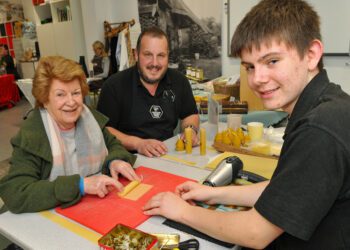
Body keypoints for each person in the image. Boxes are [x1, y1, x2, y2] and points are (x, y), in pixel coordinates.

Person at [142, 0, 350, 249]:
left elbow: (255, 233)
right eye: (250, 67)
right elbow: (282, 190)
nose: (257, 79)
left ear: (312, 54)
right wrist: (213, 192)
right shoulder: (327, 103)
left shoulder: (319, 129)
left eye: (272, 61)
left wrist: (181, 211)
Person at [0, 56, 140, 214]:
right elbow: (16, 191)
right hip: (46, 218)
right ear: (45, 99)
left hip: (94, 208)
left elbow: (114, 144)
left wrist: (115, 161)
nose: (71, 102)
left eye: (76, 93)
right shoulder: (33, 133)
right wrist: (80, 185)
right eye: (60, 95)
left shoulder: (89, 118)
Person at [97, 26, 199, 157]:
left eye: (161, 55)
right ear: (136, 55)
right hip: (128, 159)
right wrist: (138, 144)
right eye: (148, 55)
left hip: (169, 155)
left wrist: (190, 130)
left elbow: (190, 114)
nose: (154, 63)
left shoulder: (179, 81)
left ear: (168, 56)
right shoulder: (113, 86)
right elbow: (104, 130)